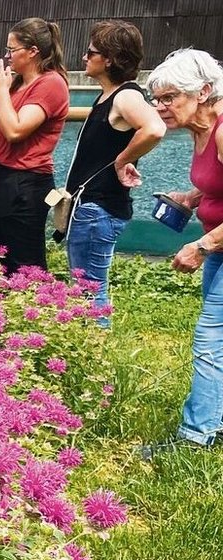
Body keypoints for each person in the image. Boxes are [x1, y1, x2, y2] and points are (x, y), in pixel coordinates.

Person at [141, 49, 223, 458]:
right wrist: (193, 197)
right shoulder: (201, 128)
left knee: (211, 337)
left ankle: (196, 435)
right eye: (156, 98)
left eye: (169, 97)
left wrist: (203, 245)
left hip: (218, 246)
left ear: (204, 91)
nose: (160, 107)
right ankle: (215, 420)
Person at [64, 20, 164, 326]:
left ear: (109, 59)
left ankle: (94, 359)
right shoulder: (107, 96)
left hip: (99, 208)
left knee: (90, 292)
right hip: (91, 206)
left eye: (91, 51)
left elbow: (155, 128)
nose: (84, 57)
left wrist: (122, 160)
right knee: (86, 289)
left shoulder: (125, 96)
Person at [0, 17, 70, 274]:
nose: (7, 56)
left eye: (12, 50)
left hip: (25, 183)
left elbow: (15, 130)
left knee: (25, 265)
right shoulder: (18, 82)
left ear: (33, 52)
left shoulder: (51, 83)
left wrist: (0, 90)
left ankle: (34, 311)